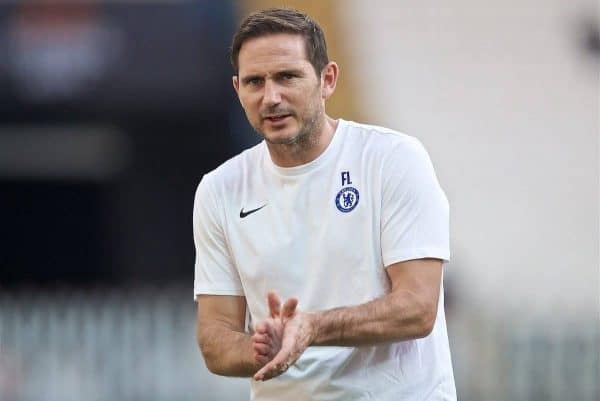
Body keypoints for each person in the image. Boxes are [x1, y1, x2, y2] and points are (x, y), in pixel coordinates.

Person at [193, 7, 456, 401]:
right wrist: (262, 348)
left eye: (287, 77)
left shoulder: (391, 159)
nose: (271, 97)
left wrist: (313, 328)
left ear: (327, 80)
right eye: (254, 82)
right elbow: (214, 337)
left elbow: (418, 306)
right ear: (238, 90)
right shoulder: (219, 190)